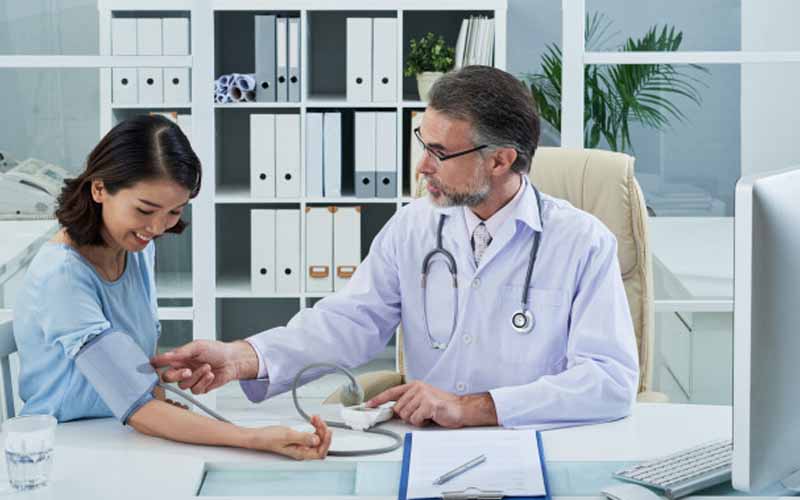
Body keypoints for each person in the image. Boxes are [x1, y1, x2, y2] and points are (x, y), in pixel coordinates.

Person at [153, 66, 640, 429]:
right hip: (430, 447)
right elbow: (348, 322)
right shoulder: (413, 228)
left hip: (533, 442)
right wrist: (243, 357)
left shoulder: (581, 242)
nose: (422, 167)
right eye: (422, 143)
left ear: (501, 160)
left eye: (440, 153)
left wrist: (477, 407)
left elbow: (610, 380)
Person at [13, 115, 331, 459]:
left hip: (117, 432)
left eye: (173, 212)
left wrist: (162, 374)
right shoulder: (63, 275)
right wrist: (254, 439)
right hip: (67, 444)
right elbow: (137, 407)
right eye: (145, 209)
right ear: (99, 188)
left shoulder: (137, 251)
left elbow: (124, 373)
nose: (156, 227)